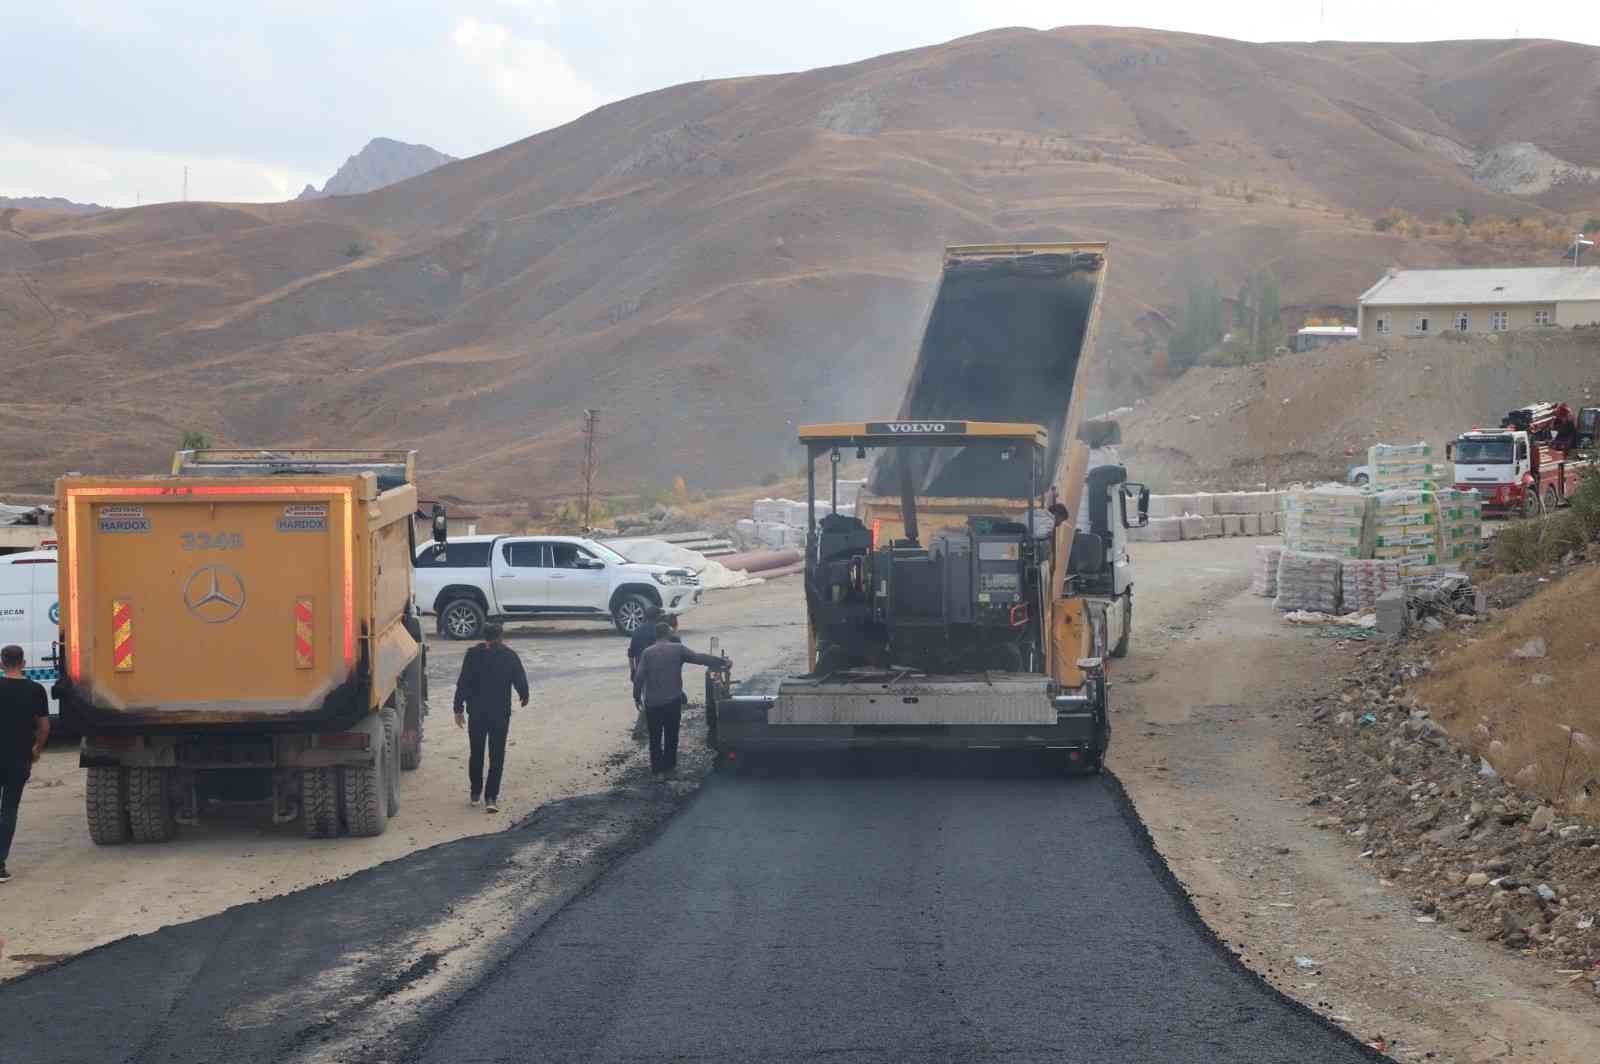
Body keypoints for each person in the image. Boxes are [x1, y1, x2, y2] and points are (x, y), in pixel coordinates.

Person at [632, 622, 729, 777]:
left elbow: (639, 677)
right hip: (672, 701)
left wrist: (636, 697)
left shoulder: (647, 653)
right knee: (672, 736)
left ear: (656, 636)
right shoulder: (677, 649)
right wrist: (722, 661)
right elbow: (699, 658)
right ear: (669, 634)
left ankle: (657, 772)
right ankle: (670, 769)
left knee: (655, 739)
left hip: (653, 703)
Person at [452, 623, 528, 814]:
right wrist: (524, 694)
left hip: (477, 713)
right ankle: (491, 797)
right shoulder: (510, 656)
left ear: (484, 636)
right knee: (497, 756)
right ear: (501, 636)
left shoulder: (472, 655)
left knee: (476, 752)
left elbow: (463, 682)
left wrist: (458, 708)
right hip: (500, 714)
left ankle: (475, 792)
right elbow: (520, 679)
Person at [1, 644, 50, 883]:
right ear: (23, 662)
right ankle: (0, 864)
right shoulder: (36, 690)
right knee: (9, 809)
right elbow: (44, 727)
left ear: (1, 663)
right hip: (19, 758)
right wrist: (36, 750)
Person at [627, 607, 676, 740]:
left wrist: (632, 671)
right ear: (656, 617)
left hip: (640, 672)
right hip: (656, 672)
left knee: (649, 699)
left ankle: (649, 727)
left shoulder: (636, 631)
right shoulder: (658, 631)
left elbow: (631, 653)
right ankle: (639, 730)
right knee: (652, 701)